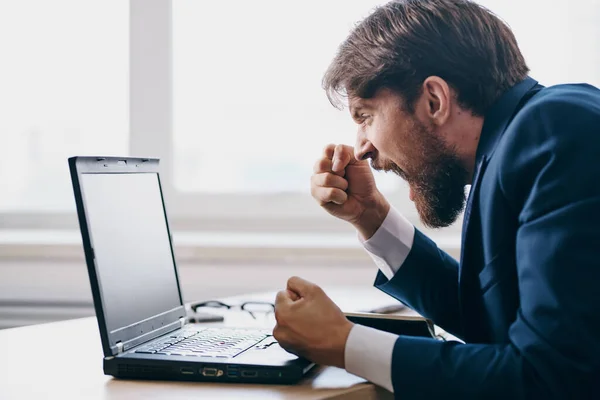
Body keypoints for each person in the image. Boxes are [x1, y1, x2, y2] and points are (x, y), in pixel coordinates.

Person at [272, 0, 600, 398]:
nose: (361, 149)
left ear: (434, 101)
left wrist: (345, 344)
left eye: (366, 116)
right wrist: (371, 217)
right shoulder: (523, 140)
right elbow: (491, 322)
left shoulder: (555, 132)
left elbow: (551, 377)